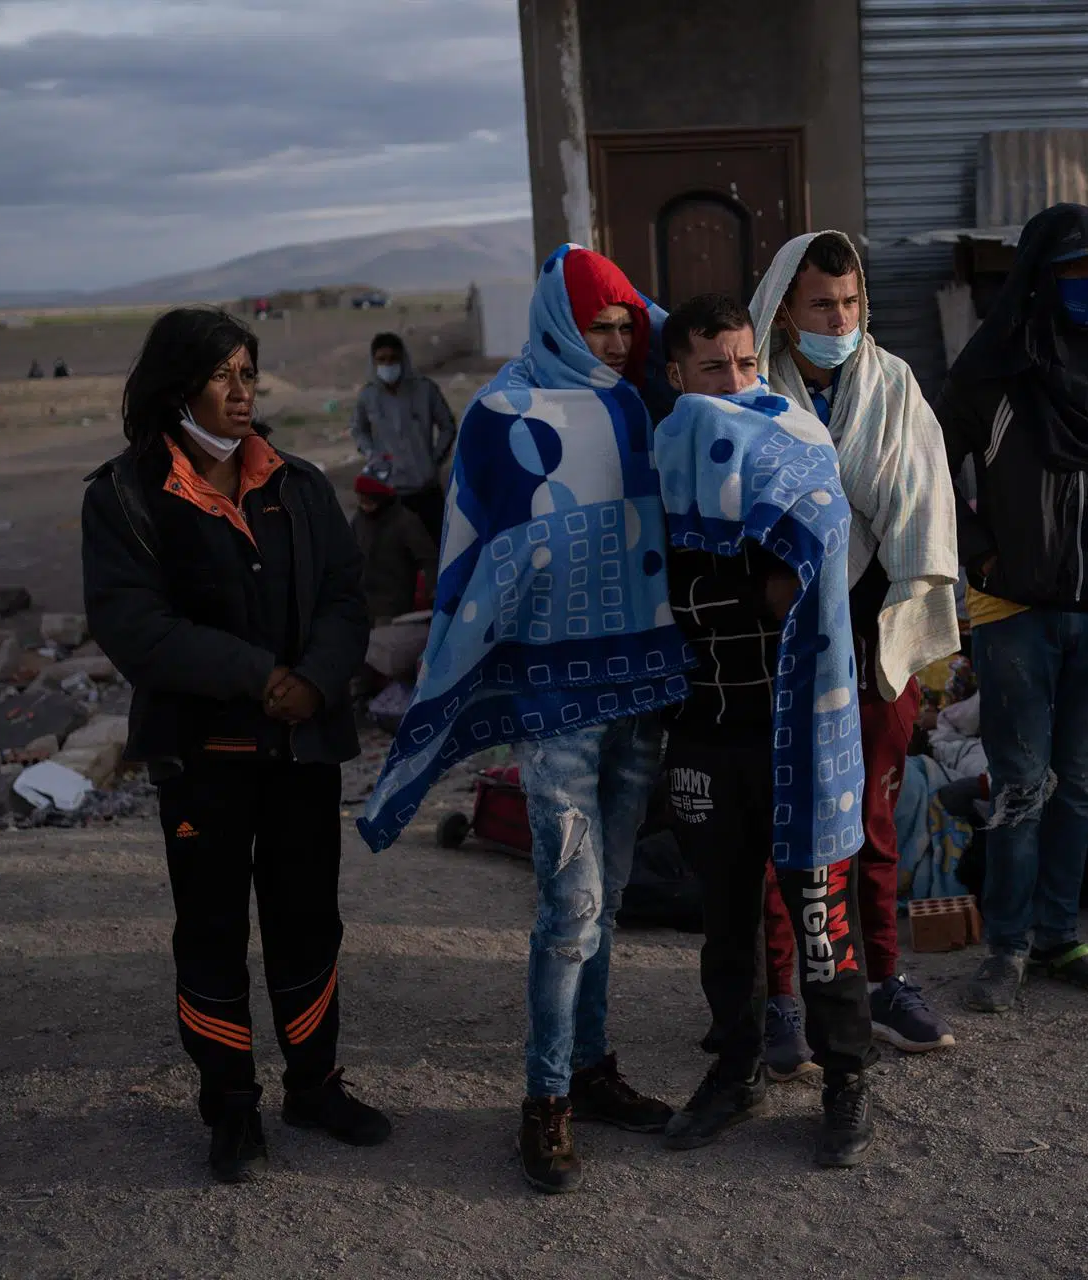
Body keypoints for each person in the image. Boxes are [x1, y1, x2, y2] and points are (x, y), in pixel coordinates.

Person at [355, 245, 690, 1196]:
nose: (621, 342)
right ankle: (544, 1098)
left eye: (629, 325)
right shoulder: (504, 417)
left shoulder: (642, 400)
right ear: (557, 324)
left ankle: (590, 1069)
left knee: (609, 897)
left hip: (641, 693)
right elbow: (475, 554)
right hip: (555, 704)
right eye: (601, 326)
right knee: (568, 904)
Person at [82, 307, 388, 1184]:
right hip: (203, 756)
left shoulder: (297, 483)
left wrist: (316, 681)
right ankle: (229, 1106)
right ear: (178, 386)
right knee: (212, 930)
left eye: (249, 373)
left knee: (307, 920)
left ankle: (316, 1085)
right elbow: (136, 626)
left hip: (300, 751)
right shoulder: (125, 497)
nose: (242, 391)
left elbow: (344, 596)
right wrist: (260, 676)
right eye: (223, 376)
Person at [653, 292, 877, 1169]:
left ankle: (845, 1079)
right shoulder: (664, 468)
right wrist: (750, 590)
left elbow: (818, 580)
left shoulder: (794, 443)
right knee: (726, 924)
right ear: (677, 377)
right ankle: (735, 1070)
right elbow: (673, 598)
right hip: (708, 732)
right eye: (715, 367)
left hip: (799, 735)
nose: (737, 383)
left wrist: (740, 591)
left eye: (747, 363)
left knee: (822, 914)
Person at [938, 204, 1088, 1014]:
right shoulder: (991, 369)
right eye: (1071, 270)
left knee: (1079, 783)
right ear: (1037, 276)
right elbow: (933, 470)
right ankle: (1006, 946)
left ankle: (1061, 935)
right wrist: (978, 552)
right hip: (1012, 608)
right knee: (1021, 784)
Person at [744, 232, 962, 1065]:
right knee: (783, 825)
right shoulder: (755, 395)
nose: (840, 319)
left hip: (874, 641)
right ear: (786, 315)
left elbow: (923, 509)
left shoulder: (895, 389)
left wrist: (890, 620)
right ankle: (784, 1000)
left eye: (850, 303)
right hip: (784, 640)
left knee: (871, 818)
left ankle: (882, 981)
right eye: (821, 306)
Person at [349, 332, 458, 539]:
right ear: (374, 362)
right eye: (381, 360)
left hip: (425, 487)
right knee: (398, 555)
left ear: (403, 359)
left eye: (393, 359)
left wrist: (434, 460)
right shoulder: (368, 396)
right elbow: (358, 428)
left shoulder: (425, 390)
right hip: (390, 490)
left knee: (437, 547)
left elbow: (448, 426)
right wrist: (371, 454)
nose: (388, 364)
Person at [350, 468, 437, 624]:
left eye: (368, 499)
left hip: (394, 608)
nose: (363, 504)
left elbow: (429, 559)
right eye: (361, 498)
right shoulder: (359, 520)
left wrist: (432, 592)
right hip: (362, 604)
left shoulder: (405, 522)